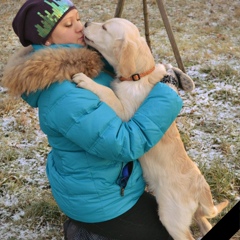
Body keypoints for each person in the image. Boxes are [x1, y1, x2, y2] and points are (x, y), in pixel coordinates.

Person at [2, 1, 183, 239]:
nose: (79, 27)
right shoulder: (64, 94)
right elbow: (124, 144)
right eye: (68, 24)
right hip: (101, 202)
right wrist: (167, 93)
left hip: (108, 182)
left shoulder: (86, 61)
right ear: (46, 40)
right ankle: (85, 231)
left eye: (77, 18)